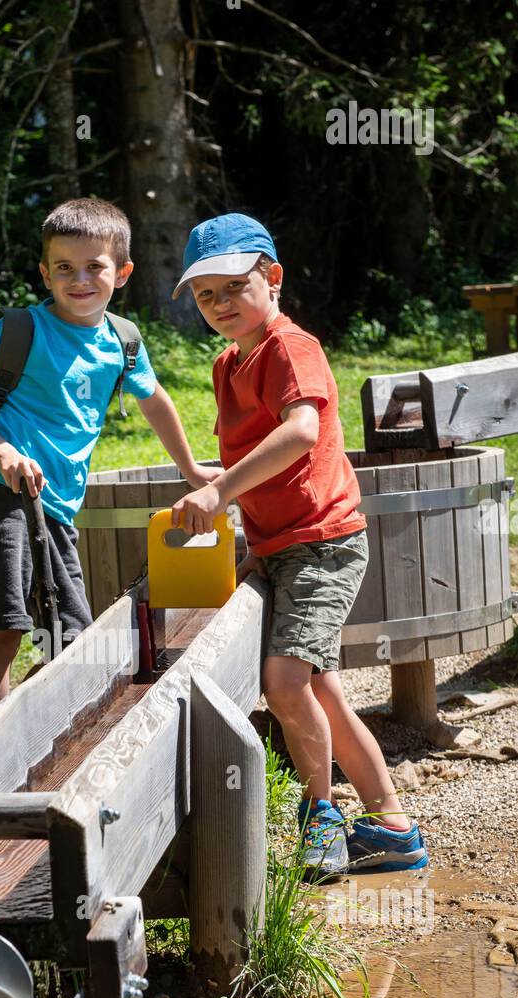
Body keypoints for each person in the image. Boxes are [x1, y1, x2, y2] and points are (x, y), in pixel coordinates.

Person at [170, 212, 428, 877]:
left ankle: (322, 816)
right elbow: (256, 455)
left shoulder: (290, 346)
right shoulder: (227, 365)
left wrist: (219, 493)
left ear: (272, 277)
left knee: (284, 684)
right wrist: (252, 531)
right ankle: (394, 829)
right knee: (322, 695)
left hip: (323, 541)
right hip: (282, 545)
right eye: (206, 295)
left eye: (234, 286)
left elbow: (299, 433)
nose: (221, 304)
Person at [0, 197, 216, 715]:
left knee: (70, 634)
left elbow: (156, 402)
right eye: (64, 267)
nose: (80, 279)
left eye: (95, 267)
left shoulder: (123, 342)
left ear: (123, 273)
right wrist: (4, 453)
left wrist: (191, 468)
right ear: (45, 273)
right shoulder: (19, 330)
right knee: (3, 626)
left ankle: (27, 723)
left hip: (57, 506)